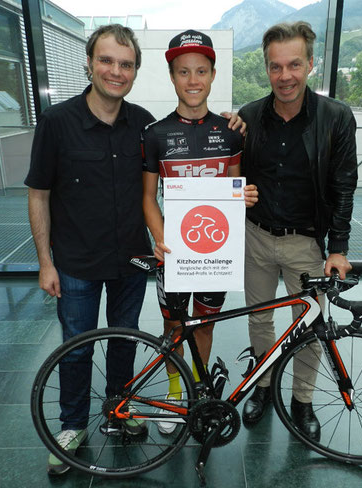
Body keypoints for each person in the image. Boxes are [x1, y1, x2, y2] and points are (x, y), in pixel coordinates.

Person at [25, 24, 155, 475]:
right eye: (107, 60)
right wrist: (45, 263)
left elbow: (181, 158)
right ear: (89, 62)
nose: (115, 71)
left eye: (125, 64)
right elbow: (38, 193)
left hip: (132, 261)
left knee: (124, 340)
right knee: (76, 348)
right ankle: (73, 426)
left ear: (135, 71)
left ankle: (119, 412)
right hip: (76, 261)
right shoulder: (58, 122)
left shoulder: (144, 123)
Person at [238, 21, 358, 441]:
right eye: (275, 67)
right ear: (266, 69)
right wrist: (236, 192)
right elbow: (229, 174)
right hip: (255, 237)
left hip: (306, 242)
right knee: (259, 320)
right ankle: (264, 387)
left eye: (293, 65)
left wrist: (338, 248)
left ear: (310, 64)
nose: (284, 75)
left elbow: (344, 185)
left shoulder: (336, 118)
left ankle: (301, 400)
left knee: (308, 326)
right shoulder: (249, 117)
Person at [142, 30, 258, 435]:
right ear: (172, 76)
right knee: (175, 327)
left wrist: (242, 197)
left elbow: (234, 189)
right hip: (173, 251)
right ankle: (175, 394)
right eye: (183, 71)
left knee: (204, 324)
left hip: (212, 251)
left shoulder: (231, 131)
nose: (193, 80)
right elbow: (147, 199)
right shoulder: (154, 134)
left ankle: (198, 387)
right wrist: (161, 241)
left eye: (201, 71)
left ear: (212, 75)